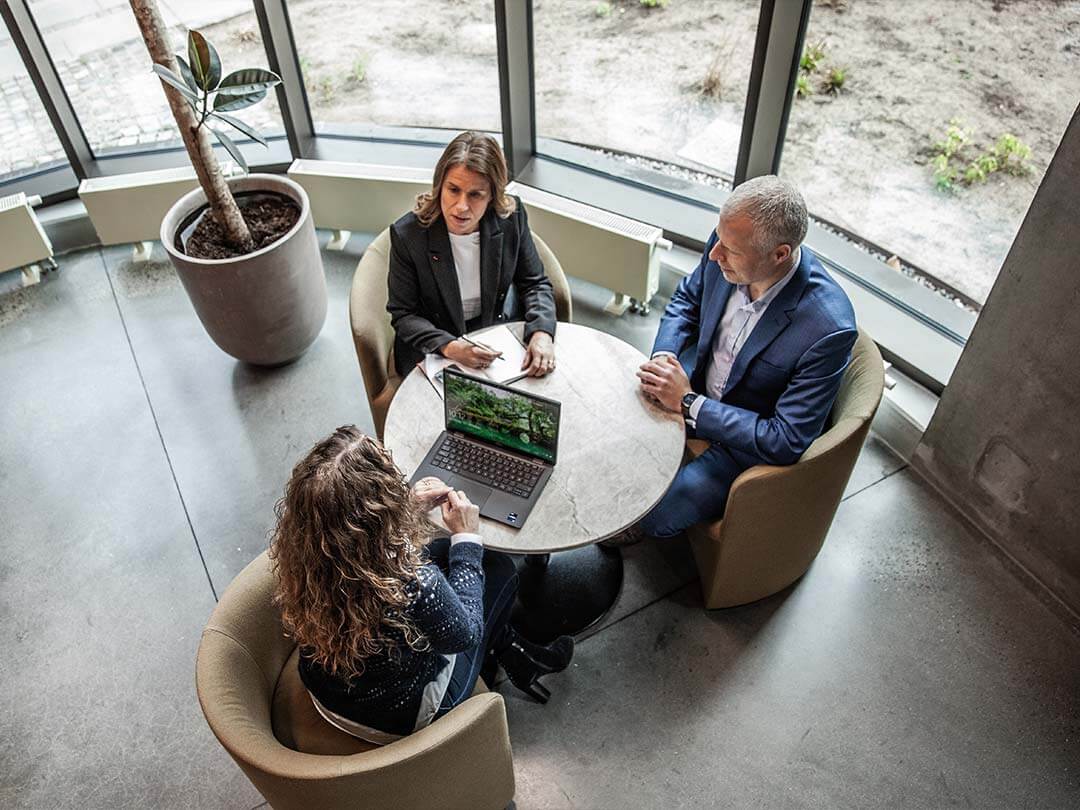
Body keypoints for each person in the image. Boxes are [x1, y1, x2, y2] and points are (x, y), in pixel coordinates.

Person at [270, 425, 573, 744]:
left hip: (329, 694)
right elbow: (466, 635)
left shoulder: (305, 553)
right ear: (375, 511)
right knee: (499, 569)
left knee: (440, 553)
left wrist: (407, 510)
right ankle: (515, 655)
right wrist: (466, 538)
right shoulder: (414, 582)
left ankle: (517, 655)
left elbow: (361, 547)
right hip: (397, 716)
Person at [629, 175, 857, 541]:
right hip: (693, 383)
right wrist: (665, 359)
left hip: (743, 441)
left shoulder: (828, 328)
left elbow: (786, 439)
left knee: (655, 516)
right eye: (718, 238)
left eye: (730, 250)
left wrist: (688, 403)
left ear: (779, 254)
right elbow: (687, 301)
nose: (715, 253)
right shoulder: (726, 244)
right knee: (614, 443)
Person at [387, 130, 557, 379]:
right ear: (440, 185)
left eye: (475, 194)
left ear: (492, 196)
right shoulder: (408, 235)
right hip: (436, 341)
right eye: (453, 189)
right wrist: (452, 348)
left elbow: (534, 283)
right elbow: (403, 314)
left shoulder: (512, 218)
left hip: (494, 332)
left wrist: (541, 332)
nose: (461, 206)